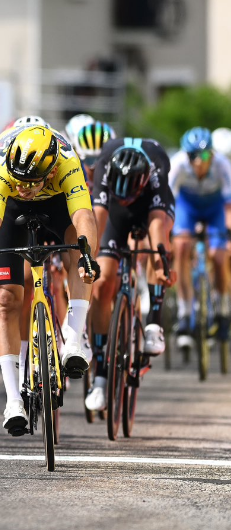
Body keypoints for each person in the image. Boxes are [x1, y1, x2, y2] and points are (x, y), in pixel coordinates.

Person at [0, 124, 99, 436]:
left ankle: (73, 338)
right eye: (21, 179)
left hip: (55, 202)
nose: (25, 186)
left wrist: (87, 256)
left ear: (52, 167)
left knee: (79, 248)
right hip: (12, 211)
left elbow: (84, 215)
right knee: (5, 299)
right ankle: (12, 399)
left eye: (32, 181)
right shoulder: (1, 165)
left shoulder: (68, 162)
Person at [84, 139, 174, 412]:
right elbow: (97, 217)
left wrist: (162, 260)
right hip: (114, 212)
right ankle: (100, 374)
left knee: (158, 253)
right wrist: (88, 257)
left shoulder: (157, 169)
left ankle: (154, 324)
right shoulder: (103, 165)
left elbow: (159, 226)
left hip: (148, 207)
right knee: (101, 285)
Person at [169, 127, 231, 351]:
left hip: (215, 209)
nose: (198, 162)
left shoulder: (223, 166)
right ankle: (185, 312)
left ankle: (223, 309)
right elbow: (167, 202)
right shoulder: (177, 165)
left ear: (212, 154)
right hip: (188, 208)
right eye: (192, 156)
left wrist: (227, 232)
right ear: (186, 155)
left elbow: (228, 207)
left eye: (204, 156)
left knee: (219, 256)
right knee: (182, 246)